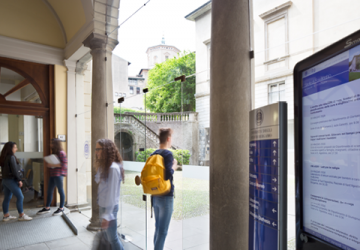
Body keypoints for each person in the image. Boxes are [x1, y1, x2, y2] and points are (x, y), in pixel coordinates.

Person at [95, 139, 125, 250]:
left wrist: (107, 215)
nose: (96, 152)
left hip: (110, 208)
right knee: (109, 238)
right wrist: (100, 166)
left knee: (113, 239)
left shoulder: (113, 169)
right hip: (103, 206)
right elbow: (98, 180)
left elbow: (112, 195)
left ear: (106, 150)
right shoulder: (105, 167)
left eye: (98, 149)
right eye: (96, 149)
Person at [152, 128, 178, 250]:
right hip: (166, 197)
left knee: (158, 229)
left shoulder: (154, 153)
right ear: (168, 139)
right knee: (162, 232)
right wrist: (174, 166)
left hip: (155, 196)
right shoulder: (167, 154)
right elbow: (167, 175)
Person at [0, 142, 33, 221]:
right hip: (11, 180)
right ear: (10, 148)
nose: (16, 149)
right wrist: (19, 180)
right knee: (20, 197)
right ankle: (21, 215)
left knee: (7, 197)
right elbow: (14, 170)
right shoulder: (11, 157)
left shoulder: (3, 157)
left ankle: (6, 216)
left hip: (5, 180)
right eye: (15, 147)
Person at [37, 138, 67, 216]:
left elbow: (64, 165)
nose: (50, 144)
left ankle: (61, 208)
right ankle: (47, 207)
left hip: (58, 175)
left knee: (60, 191)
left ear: (56, 144)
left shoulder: (61, 153)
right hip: (53, 175)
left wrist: (52, 165)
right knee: (49, 191)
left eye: (52, 143)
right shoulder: (54, 153)